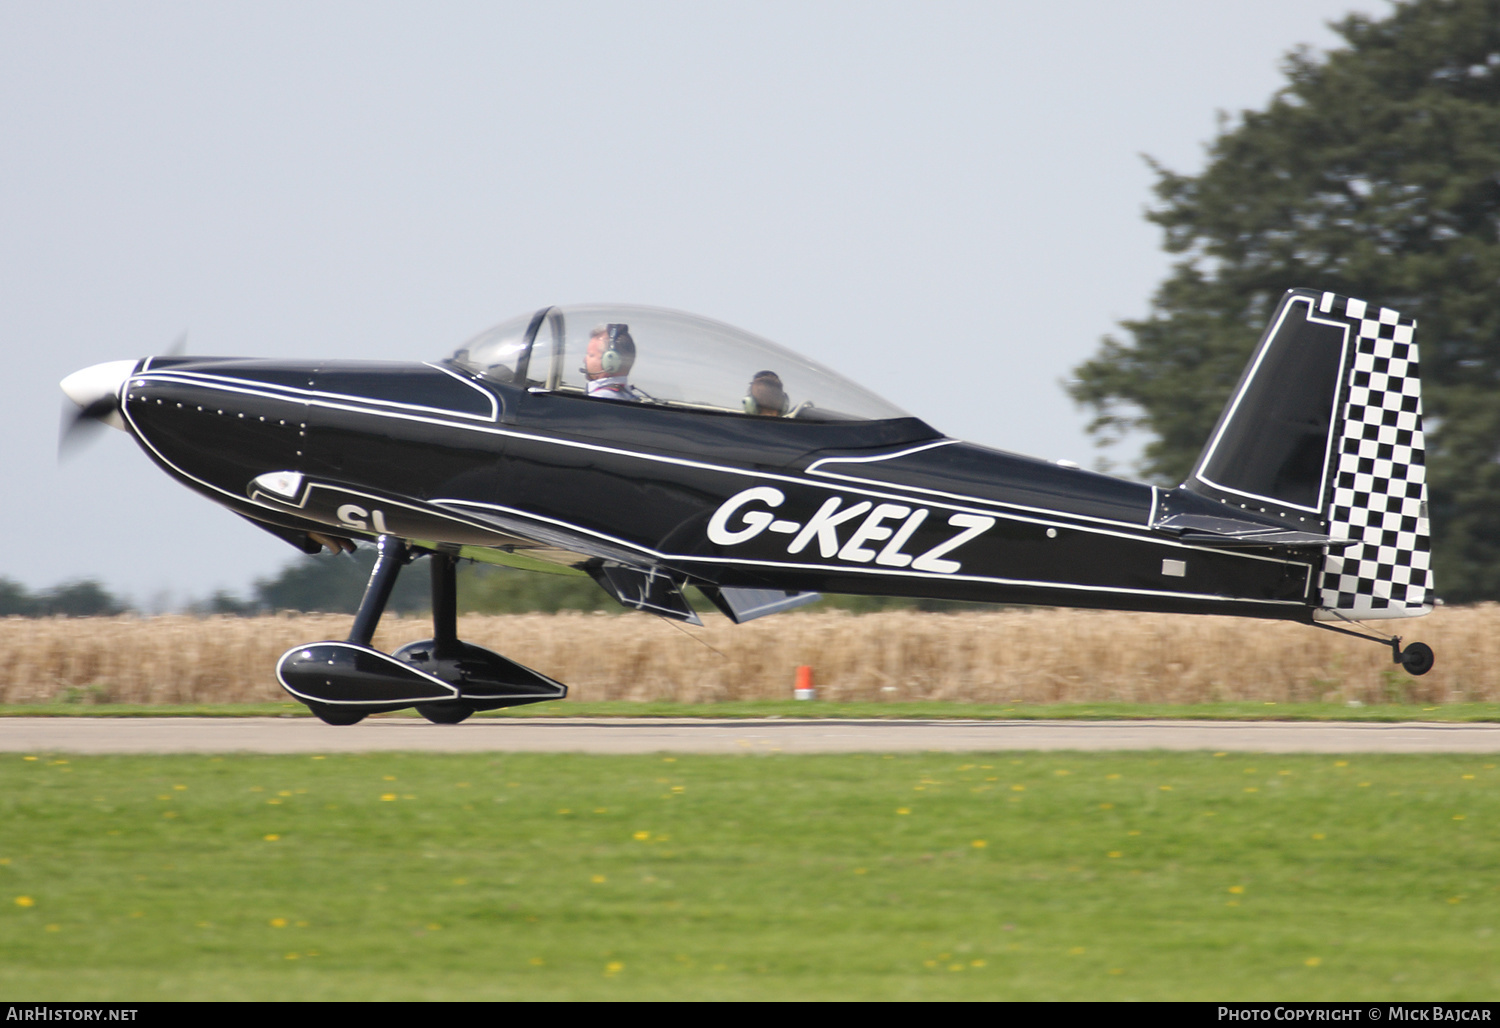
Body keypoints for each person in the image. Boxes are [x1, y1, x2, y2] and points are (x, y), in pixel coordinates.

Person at [583, 323, 640, 401]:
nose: (585, 360)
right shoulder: (629, 396)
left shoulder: (598, 399)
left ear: (610, 361)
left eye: (591, 355)